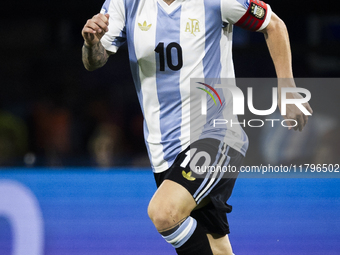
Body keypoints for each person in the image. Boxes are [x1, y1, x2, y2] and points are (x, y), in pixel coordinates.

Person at [81, 0, 313, 254]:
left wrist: (287, 87)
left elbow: (274, 25)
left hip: (216, 136)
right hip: (164, 150)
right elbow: (94, 61)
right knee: (217, 248)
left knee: (164, 212)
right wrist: (91, 44)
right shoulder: (124, 4)